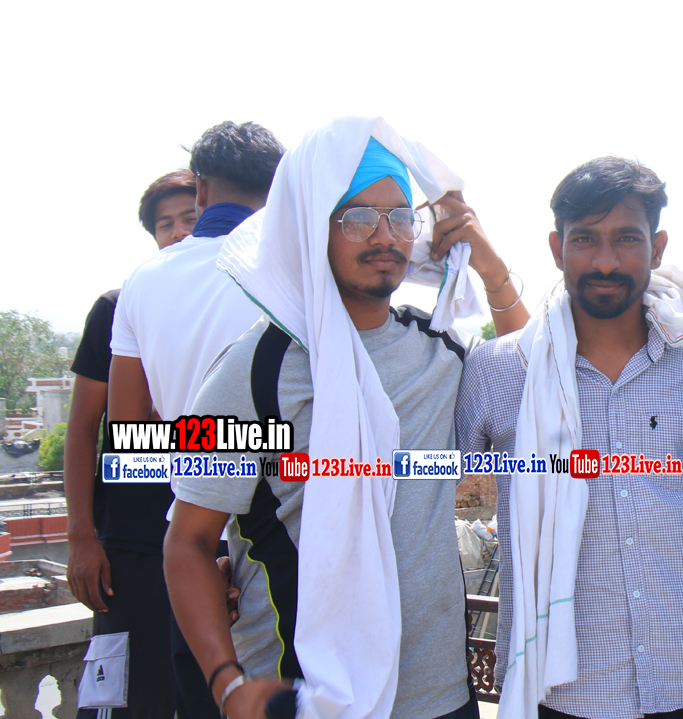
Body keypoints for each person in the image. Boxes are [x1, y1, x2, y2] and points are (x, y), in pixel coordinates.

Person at [164, 117, 529, 719]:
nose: (385, 237)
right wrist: (227, 683)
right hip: (307, 696)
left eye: (400, 217)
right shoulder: (249, 372)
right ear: (312, 227)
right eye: (358, 218)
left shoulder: (438, 352)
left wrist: (491, 271)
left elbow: (527, 381)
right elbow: (188, 541)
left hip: (441, 697)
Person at [456, 156, 683, 719]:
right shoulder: (499, 370)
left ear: (658, 247)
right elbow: (433, 495)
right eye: (585, 239)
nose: (606, 261)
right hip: (557, 695)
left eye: (627, 238)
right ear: (557, 249)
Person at [108, 121, 284, 719]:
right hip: (285, 534)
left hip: (193, 547)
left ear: (201, 191)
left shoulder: (143, 280)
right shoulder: (295, 269)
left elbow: (129, 436)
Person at [65, 169, 197, 718]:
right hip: (132, 548)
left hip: (216, 541)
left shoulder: (238, 307)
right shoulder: (118, 308)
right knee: (127, 700)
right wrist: (81, 537)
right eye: (166, 224)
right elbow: (83, 428)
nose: (179, 232)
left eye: (191, 218)